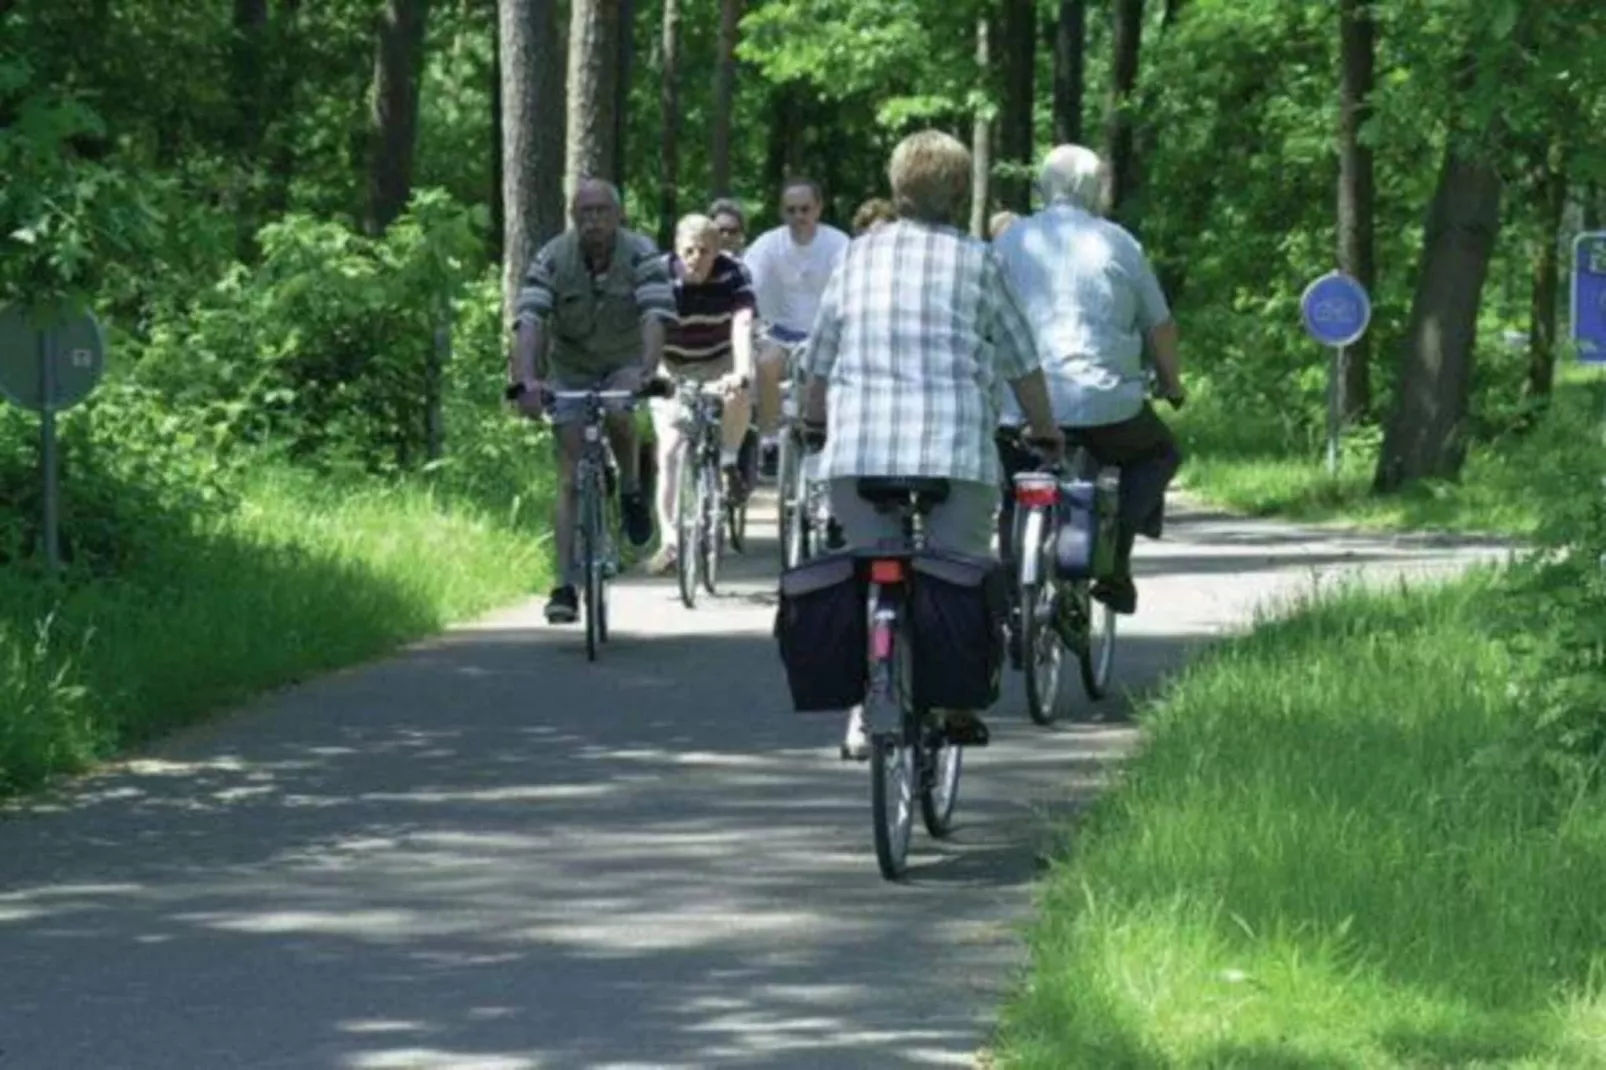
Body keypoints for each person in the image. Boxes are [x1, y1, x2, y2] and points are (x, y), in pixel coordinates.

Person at [800, 129, 1065, 761]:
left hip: (859, 452)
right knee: (959, 569)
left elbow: (820, 356)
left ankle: (865, 706)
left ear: (897, 189)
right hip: (953, 452)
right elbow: (1021, 359)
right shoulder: (979, 261)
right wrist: (1046, 431)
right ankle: (954, 704)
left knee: (866, 564)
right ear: (959, 191)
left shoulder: (855, 256)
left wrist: (814, 421)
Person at [991, 143, 1186, 616]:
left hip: (1021, 404)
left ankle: (1012, 583)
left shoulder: (1010, 242)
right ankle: (1116, 558)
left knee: (1013, 475)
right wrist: (1171, 384)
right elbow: (1158, 325)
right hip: (1105, 407)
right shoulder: (1119, 242)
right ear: (1089, 188)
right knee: (1159, 452)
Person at [507, 178, 676, 625]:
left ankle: (633, 490)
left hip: (624, 360)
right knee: (568, 476)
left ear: (618, 215)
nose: (594, 221)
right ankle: (563, 585)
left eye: (602, 211)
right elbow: (529, 320)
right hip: (571, 367)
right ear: (573, 218)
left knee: (621, 412)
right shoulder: (553, 257)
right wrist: (525, 380)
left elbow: (655, 314)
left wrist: (646, 371)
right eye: (585, 213)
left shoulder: (640, 253)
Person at [646, 214, 758, 574]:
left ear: (717, 250)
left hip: (719, 357)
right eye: (688, 251)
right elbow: (651, 325)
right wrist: (649, 375)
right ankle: (670, 541)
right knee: (670, 451)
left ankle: (727, 460)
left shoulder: (734, 272)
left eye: (705, 251)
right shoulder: (658, 274)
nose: (696, 258)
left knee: (741, 390)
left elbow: (742, 322)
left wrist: (740, 371)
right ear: (677, 250)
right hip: (672, 363)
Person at [744, 178, 851, 475]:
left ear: (818, 209)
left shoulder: (838, 243)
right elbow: (747, 284)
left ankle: (818, 438)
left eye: (805, 209)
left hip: (821, 333)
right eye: (791, 210)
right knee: (765, 364)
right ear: (782, 212)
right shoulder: (768, 244)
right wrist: (752, 323)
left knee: (816, 380)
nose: (798, 217)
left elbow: (851, 289)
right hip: (779, 332)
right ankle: (769, 442)